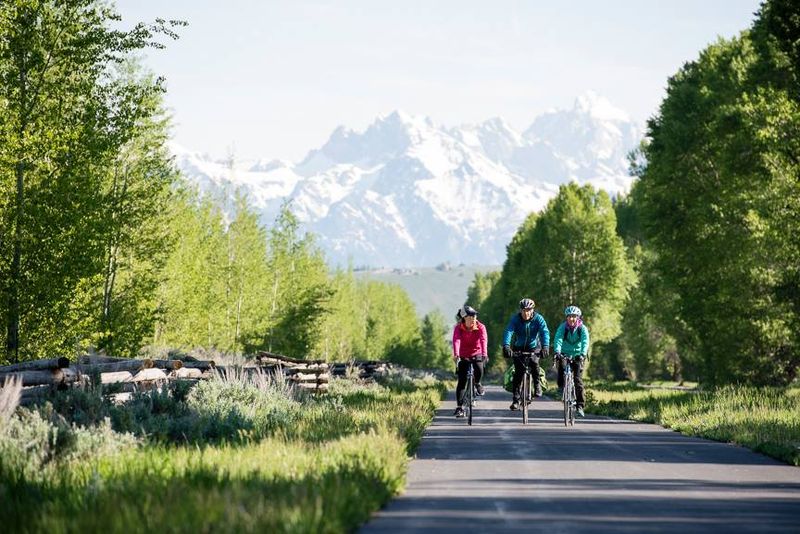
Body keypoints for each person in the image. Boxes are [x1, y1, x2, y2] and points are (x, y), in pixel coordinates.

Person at [502, 298, 550, 410]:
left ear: (532, 310)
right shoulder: (515, 319)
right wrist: (506, 345)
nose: (526, 313)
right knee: (518, 372)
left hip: (534, 347)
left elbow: (544, 332)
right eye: (524, 310)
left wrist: (545, 346)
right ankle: (515, 399)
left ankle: (537, 385)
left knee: (534, 363)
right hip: (519, 347)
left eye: (528, 310)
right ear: (521, 310)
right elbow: (509, 331)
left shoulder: (538, 319)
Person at [553, 305, 590, 417]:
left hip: (578, 355)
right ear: (566, 318)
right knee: (562, 368)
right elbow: (558, 339)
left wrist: (583, 354)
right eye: (569, 316)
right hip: (565, 353)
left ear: (578, 318)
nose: (571, 319)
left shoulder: (582, 328)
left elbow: (585, 341)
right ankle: (561, 388)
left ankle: (580, 406)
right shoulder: (563, 327)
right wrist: (557, 352)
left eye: (574, 316)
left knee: (578, 380)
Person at [452, 304, 488, 418]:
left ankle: (477, 383)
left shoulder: (480, 327)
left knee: (479, 368)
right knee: (462, 381)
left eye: (474, 315)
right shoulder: (458, 328)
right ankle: (459, 407)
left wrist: (484, 354)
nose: (474, 318)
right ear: (464, 318)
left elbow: (483, 340)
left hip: (477, 353)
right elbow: (456, 340)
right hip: (463, 355)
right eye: (471, 316)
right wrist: (456, 354)